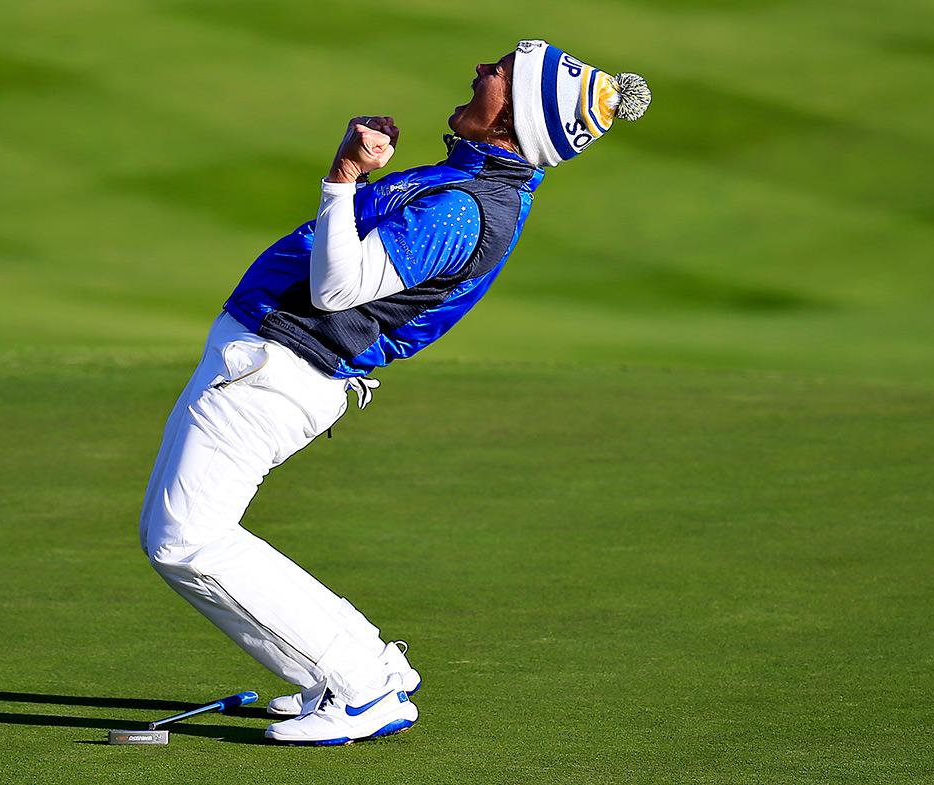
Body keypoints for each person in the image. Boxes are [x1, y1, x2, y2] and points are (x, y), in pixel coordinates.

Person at [138, 39, 651, 745]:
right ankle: (352, 668)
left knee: (184, 537)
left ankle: (361, 688)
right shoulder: (473, 182)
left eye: (499, 72)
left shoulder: (464, 209)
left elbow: (337, 288)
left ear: (513, 122)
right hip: (276, 365)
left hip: (277, 371)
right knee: (188, 533)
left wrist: (343, 174)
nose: (481, 68)